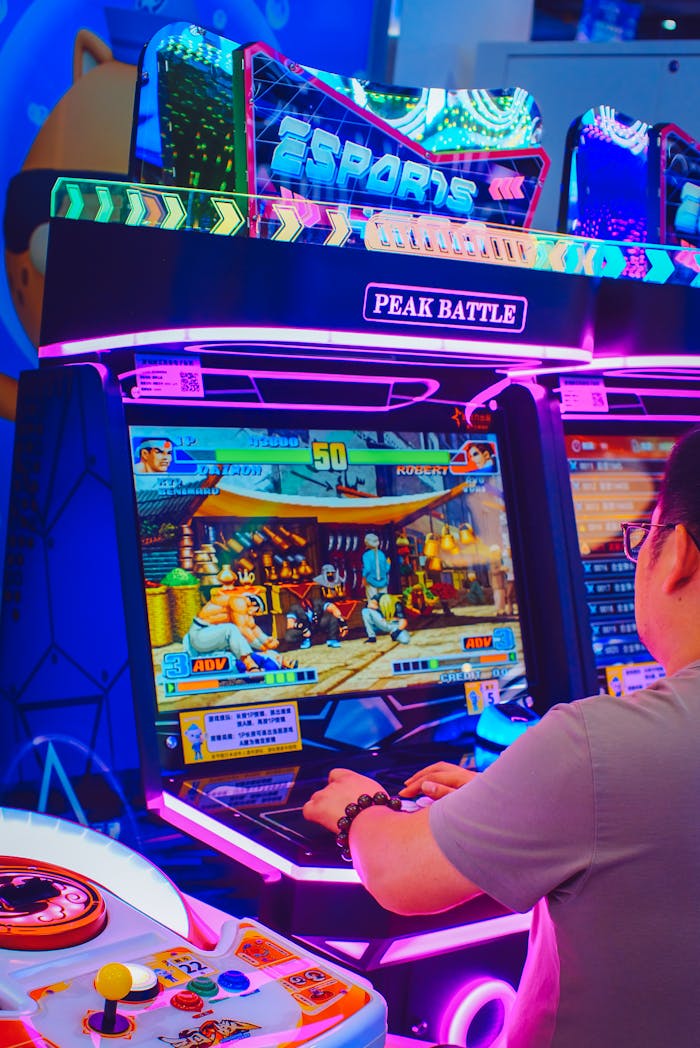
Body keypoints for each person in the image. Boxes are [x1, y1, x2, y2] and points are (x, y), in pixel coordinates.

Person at [304, 427, 700, 1048]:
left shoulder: (596, 745)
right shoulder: (595, 762)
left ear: (676, 553)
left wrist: (360, 808)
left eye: (641, 536)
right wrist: (516, 800)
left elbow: (403, 876)